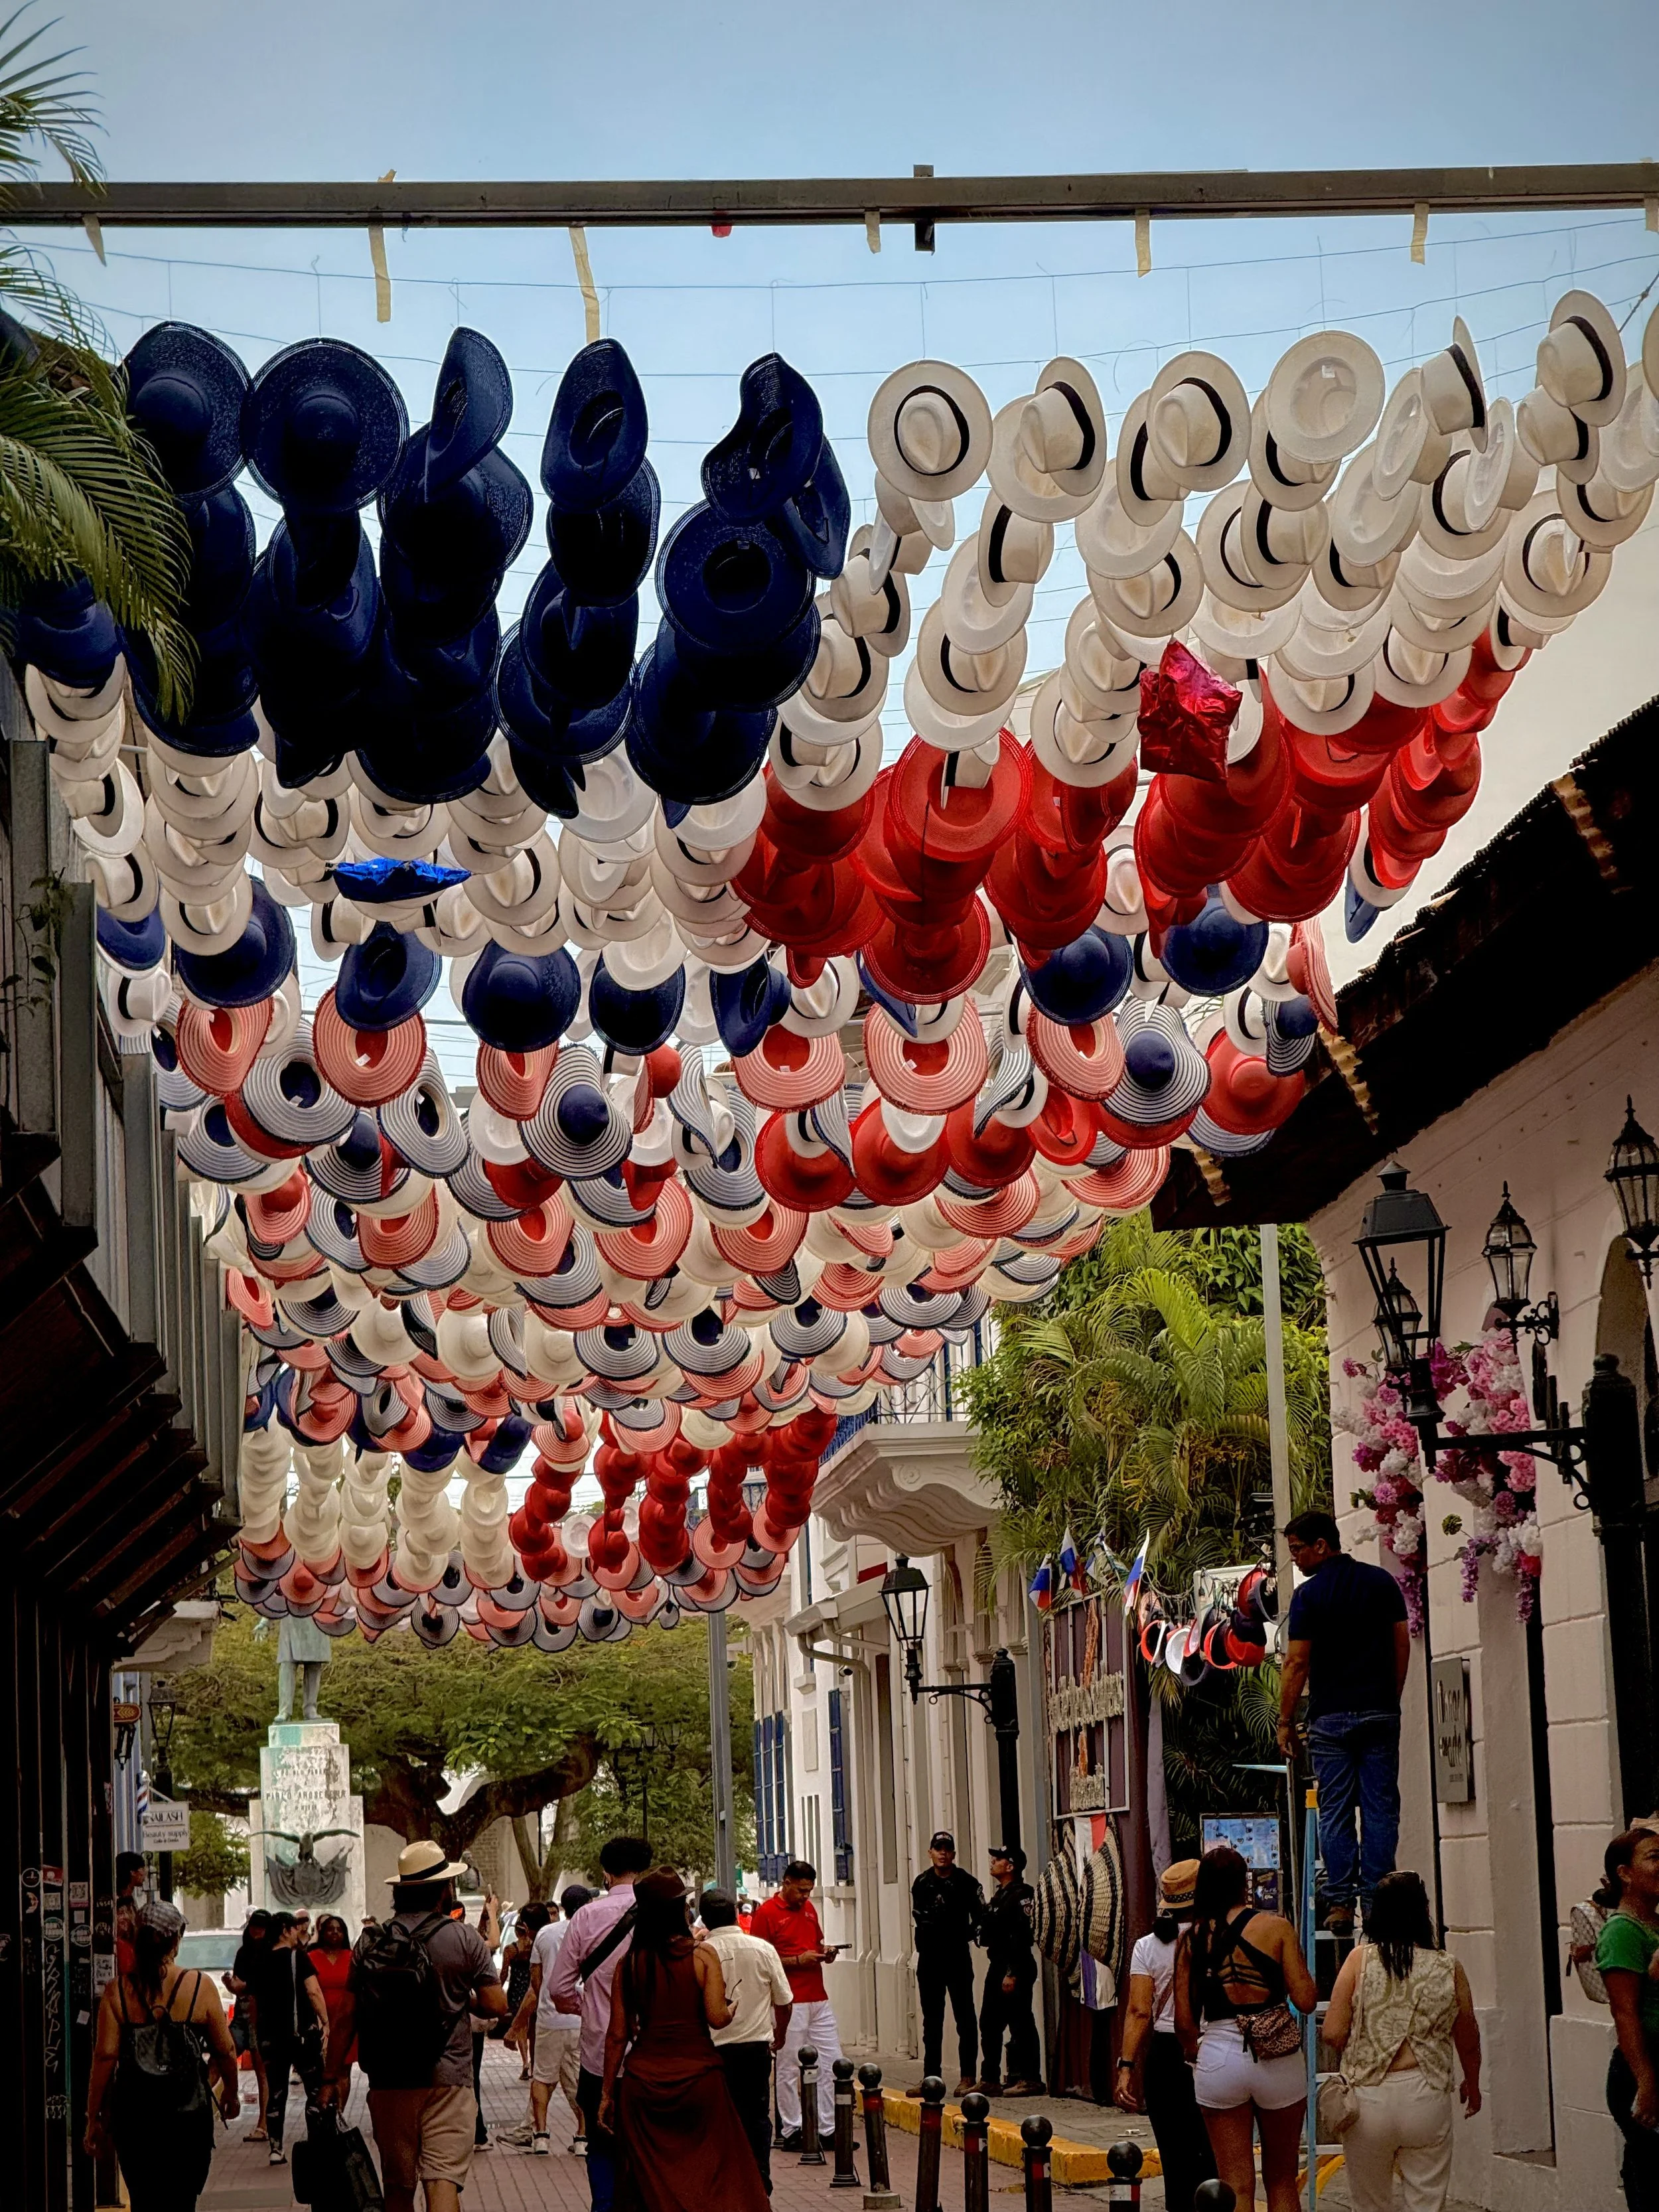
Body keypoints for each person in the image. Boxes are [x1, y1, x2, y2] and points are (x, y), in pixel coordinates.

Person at [320, 1839, 506, 2212]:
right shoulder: (463, 1937)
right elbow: (495, 2005)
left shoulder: (372, 1943)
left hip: (389, 2078)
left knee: (398, 2186)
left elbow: (345, 2017)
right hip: (448, 2077)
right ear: (444, 1890)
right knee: (442, 2181)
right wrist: (458, 1997)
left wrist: (331, 2078)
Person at [599, 1868, 771, 2212]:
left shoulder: (628, 1965)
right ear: (680, 1910)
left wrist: (607, 2092)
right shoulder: (702, 1956)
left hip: (644, 2082)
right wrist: (732, 2006)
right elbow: (716, 2017)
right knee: (713, 2171)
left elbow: (617, 2035)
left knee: (648, 2182)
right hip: (699, 2079)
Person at [1276, 1509, 1411, 1934]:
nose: (1294, 1559)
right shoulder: (1381, 1583)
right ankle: (1375, 1900)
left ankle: (1339, 1901)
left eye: (1298, 1549)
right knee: (1379, 1807)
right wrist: (1392, 1695)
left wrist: (1284, 1720)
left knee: (1334, 1810)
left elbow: (1297, 1662)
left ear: (1321, 1545)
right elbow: (1400, 1644)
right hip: (1379, 1710)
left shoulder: (1309, 1597)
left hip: (1330, 1717)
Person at [1323, 1870, 1481, 2212]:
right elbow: (1467, 2035)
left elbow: (1333, 2032)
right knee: (1427, 2199)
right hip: (1427, 2093)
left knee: (1370, 2203)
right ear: (1423, 1912)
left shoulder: (1358, 1960)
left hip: (1368, 2099)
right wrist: (1474, 2082)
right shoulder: (1448, 1967)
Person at [1175, 1844, 1318, 2212]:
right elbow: (1305, 2000)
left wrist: (1195, 2055)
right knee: (1282, 2179)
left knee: (1235, 2184)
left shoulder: (1191, 1940)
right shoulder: (1276, 1928)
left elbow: (1184, 2021)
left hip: (1219, 2057)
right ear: (1245, 1883)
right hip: (1277, 2059)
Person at [83, 1897, 240, 2212]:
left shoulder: (118, 1992)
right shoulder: (199, 1986)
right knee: (183, 2201)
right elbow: (226, 2050)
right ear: (176, 1939)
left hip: (135, 2118)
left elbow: (105, 2057)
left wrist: (93, 2116)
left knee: (145, 2200)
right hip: (188, 2118)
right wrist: (231, 2095)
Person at [549, 1836, 654, 2212]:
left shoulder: (586, 1916)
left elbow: (559, 1987)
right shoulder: (661, 1911)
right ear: (642, 1869)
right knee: (650, 2148)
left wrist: (590, 2008)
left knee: (602, 2143)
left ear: (606, 1874)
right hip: (652, 2054)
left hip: (597, 2056)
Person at [1115, 1860, 1217, 2212]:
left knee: (1175, 2156)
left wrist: (1126, 2066)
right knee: (1213, 2151)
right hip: (1213, 2047)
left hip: (1165, 2053)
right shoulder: (1219, 1937)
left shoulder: (1146, 1946)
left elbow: (1139, 2011)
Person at [697, 1885, 793, 2191]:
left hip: (712, 2050)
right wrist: (780, 2033)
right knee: (756, 2117)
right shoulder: (763, 1950)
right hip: (755, 2048)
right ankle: (759, 2179)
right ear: (737, 1914)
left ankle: (722, 2181)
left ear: (705, 1920)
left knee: (716, 2118)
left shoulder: (699, 1954)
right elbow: (784, 2001)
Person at [751, 1859, 841, 2151]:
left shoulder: (810, 1910)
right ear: (786, 1883)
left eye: (809, 1891)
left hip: (818, 1996)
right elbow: (761, 1960)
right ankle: (792, 2128)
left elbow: (815, 1943)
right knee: (789, 2066)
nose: (805, 1896)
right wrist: (795, 1961)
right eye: (801, 1890)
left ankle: (828, 2127)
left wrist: (824, 1953)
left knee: (831, 2062)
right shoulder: (766, 1914)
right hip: (789, 2000)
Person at [1595, 1828, 1659, 2212]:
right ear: (1625, 1873)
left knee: (1643, 2172)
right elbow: (1625, 2013)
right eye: (1654, 1857)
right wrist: (1646, 2081)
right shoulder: (1622, 1931)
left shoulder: (1654, 1925)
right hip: (1644, 2064)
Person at [248, 1910, 328, 2166]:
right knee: (314, 2089)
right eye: (295, 1928)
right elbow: (313, 1991)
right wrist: (326, 2021)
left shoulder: (260, 1961)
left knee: (277, 2090)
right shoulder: (298, 1958)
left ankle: (276, 2147)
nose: (298, 1933)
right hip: (301, 2035)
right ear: (285, 1930)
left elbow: (251, 1997)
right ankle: (317, 2143)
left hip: (270, 2037)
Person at [909, 1830, 984, 2094]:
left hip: (957, 1957)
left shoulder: (966, 1883)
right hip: (930, 1958)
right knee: (932, 2021)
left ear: (953, 1853)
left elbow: (980, 1918)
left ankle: (967, 2076)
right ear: (930, 1852)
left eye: (947, 1849)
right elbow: (920, 1918)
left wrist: (966, 1934)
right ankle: (931, 2077)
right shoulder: (922, 1883)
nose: (942, 1853)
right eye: (938, 1848)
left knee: (965, 2017)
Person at [977, 1844, 1042, 2099]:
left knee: (1020, 2022)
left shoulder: (1022, 1895)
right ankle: (990, 2079)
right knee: (989, 2022)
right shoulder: (1000, 1895)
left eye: (1000, 1859)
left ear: (1011, 1867)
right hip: (998, 1964)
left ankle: (1030, 2078)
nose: (993, 1861)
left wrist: (1012, 1972)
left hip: (1016, 1965)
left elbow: (1022, 1935)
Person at [224, 1908, 272, 2140]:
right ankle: (222, 2098)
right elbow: (239, 1985)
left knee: (262, 2069)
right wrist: (231, 1985)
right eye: (254, 1926)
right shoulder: (244, 1953)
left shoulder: (272, 1953)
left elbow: (251, 1986)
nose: (257, 1931)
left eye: (261, 1927)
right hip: (243, 2013)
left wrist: (239, 1987)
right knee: (222, 2052)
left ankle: (263, 2123)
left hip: (261, 2014)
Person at [309, 1915, 358, 2102]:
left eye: (339, 1929)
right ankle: (324, 2113)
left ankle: (339, 2114)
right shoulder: (312, 1957)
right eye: (330, 1929)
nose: (335, 1933)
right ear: (323, 1933)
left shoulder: (352, 1957)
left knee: (344, 2070)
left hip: (346, 2021)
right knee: (322, 2070)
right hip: (320, 2022)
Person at [467, 1891, 502, 2148]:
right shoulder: (466, 1945)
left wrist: (483, 1916)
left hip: (461, 2022)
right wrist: (492, 1913)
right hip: (469, 2023)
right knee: (471, 2077)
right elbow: (493, 1942)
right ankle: (476, 2133)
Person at [114, 1851, 147, 1977]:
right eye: (142, 1869)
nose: (144, 1873)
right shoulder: (120, 1901)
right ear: (132, 1872)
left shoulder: (129, 1898)